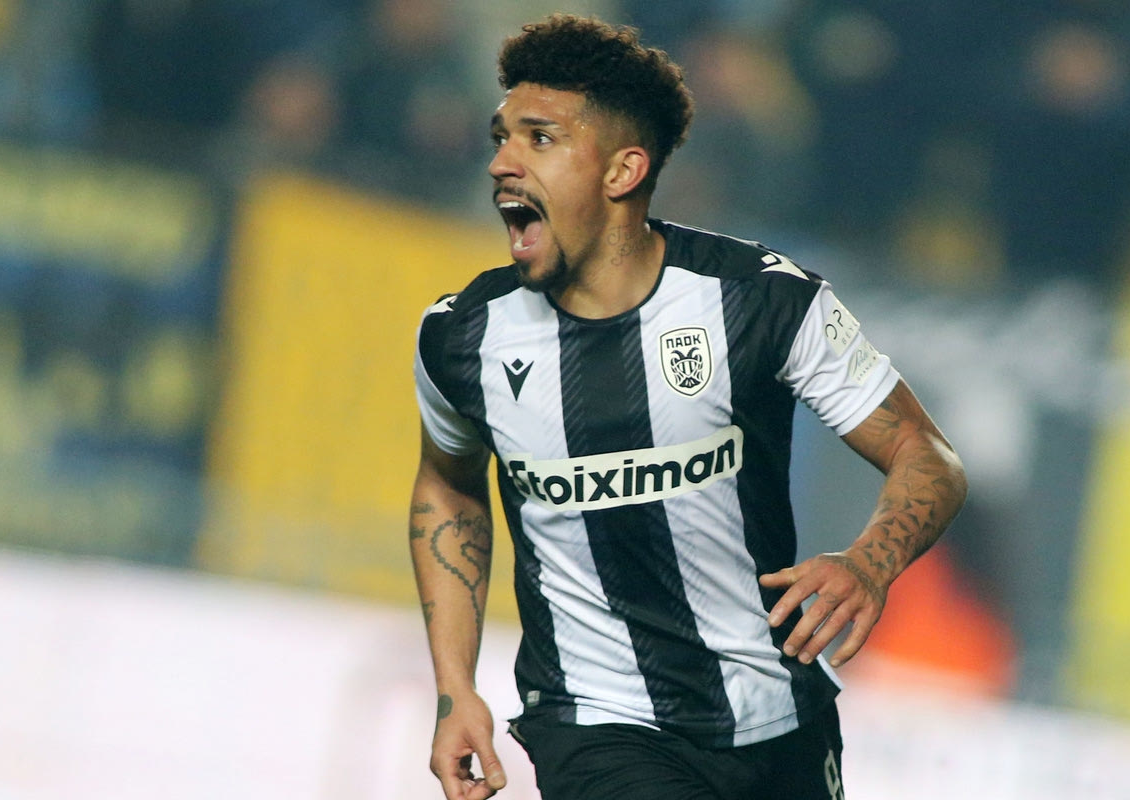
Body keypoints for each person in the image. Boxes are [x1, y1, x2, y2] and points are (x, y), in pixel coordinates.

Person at [409, 14, 967, 800]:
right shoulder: (462, 338)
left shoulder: (763, 302)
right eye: (502, 137)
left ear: (622, 170)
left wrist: (870, 563)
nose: (502, 161)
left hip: (777, 716)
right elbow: (449, 485)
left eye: (539, 139)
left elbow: (926, 454)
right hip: (595, 725)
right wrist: (454, 689)